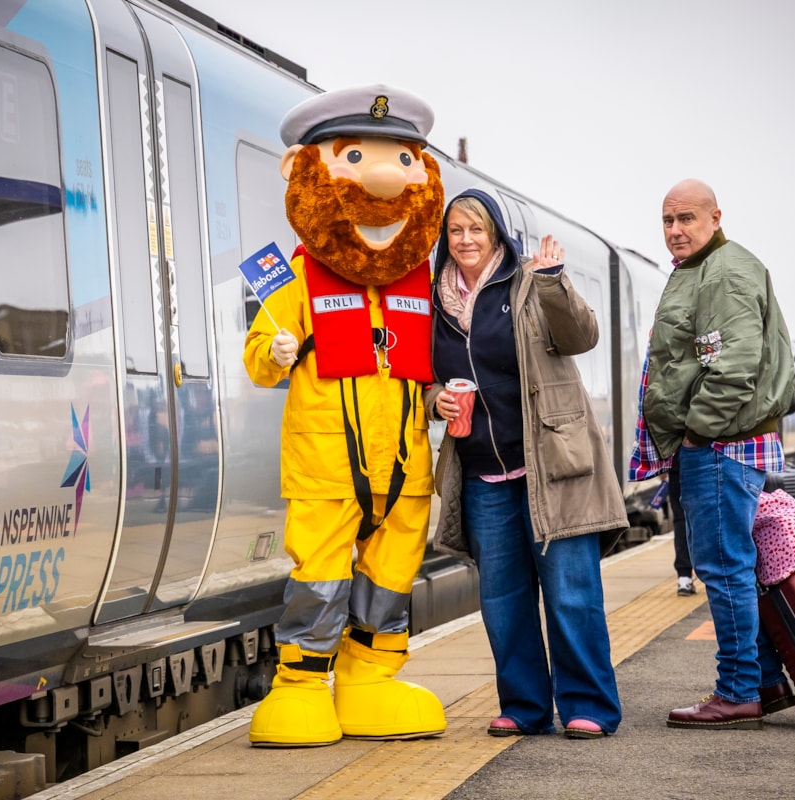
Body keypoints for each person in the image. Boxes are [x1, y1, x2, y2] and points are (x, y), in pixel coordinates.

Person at [243, 84, 447, 746]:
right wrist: (274, 352)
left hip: (405, 467)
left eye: (403, 160)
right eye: (355, 156)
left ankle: (370, 678)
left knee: (390, 578)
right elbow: (259, 361)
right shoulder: (295, 278)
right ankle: (302, 684)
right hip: (325, 466)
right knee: (322, 578)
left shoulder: (421, 282)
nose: (386, 179)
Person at [425, 189, 625, 739]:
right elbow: (423, 379)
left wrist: (554, 280)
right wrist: (435, 398)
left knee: (571, 593)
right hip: (483, 474)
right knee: (504, 602)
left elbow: (580, 335)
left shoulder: (527, 282)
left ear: (496, 235)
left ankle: (589, 705)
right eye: (456, 231)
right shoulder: (435, 302)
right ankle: (525, 706)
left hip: (552, 465)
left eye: (476, 230)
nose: (465, 240)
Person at [642, 178, 795, 730]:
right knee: (737, 566)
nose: (676, 230)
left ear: (715, 217)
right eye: (667, 220)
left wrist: (697, 434)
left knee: (723, 567)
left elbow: (733, 365)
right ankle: (766, 681)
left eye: (686, 218)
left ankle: (736, 691)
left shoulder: (724, 272)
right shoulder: (706, 269)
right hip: (728, 444)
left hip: (721, 445)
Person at [668, 460, 696, 595]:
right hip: (710, 461)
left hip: (677, 464)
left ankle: (684, 578)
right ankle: (715, 574)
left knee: (681, 519)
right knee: (713, 517)